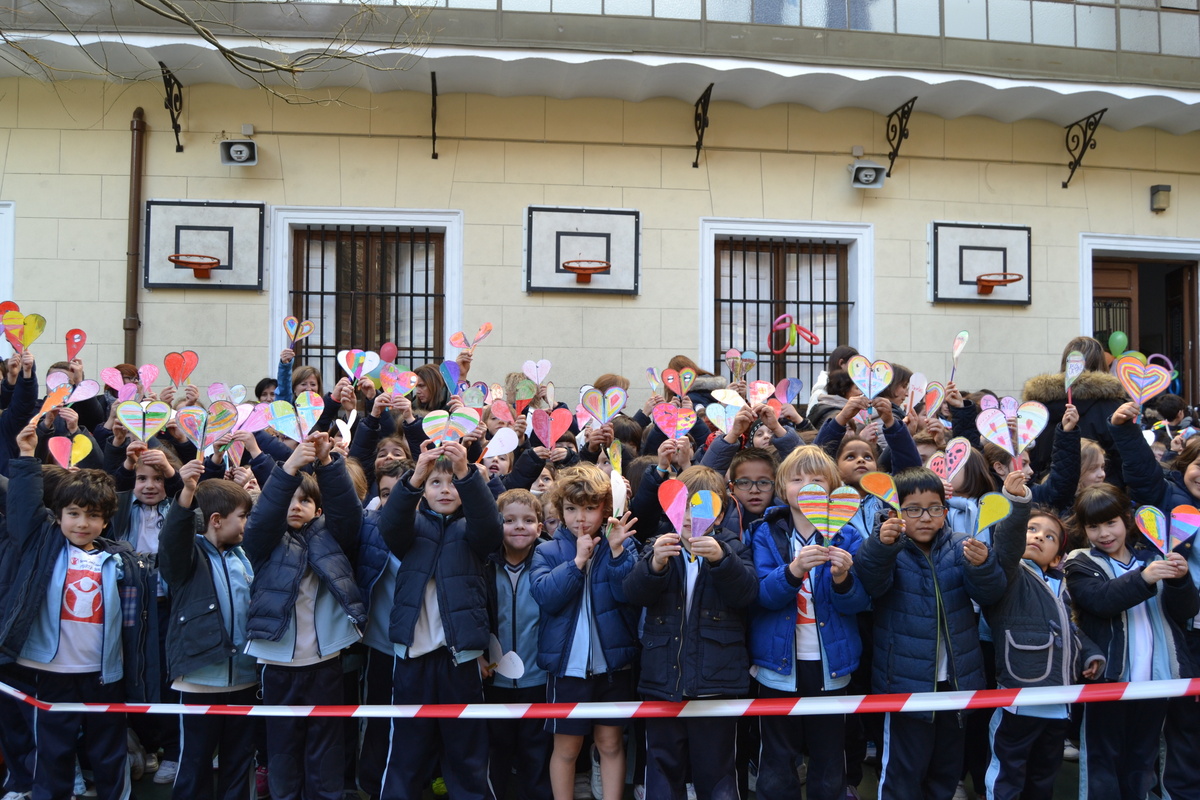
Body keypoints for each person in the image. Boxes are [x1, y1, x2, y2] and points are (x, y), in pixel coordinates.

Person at [2, 420, 157, 800]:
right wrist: (26, 455)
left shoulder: (121, 560)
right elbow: (22, 506)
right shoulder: (42, 544)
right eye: (73, 513)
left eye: (92, 516)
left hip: (103, 674)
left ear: (106, 520)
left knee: (109, 752)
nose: (82, 523)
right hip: (50, 672)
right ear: (57, 515)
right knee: (53, 753)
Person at [854, 466, 1006, 800]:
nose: (925, 517)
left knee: (946, 770)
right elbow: (872, 583)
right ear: (895, 512)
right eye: (913, 509)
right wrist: (881, 546)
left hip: (957, 682)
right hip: (904, 684)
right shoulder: (887, 548)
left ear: (945, 511)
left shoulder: (961, 546)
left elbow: (990, 594)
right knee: (902, 771)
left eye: (934, 508)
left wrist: (983, 566)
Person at [242, 432, 366, 800]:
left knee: (326, 748)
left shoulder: (332, 537)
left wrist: (327, 462)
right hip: (278, 666)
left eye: (306, 501)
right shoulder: (263, 542)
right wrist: (290, 467)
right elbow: (263, 517)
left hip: (325, 664)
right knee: (282, 748)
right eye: (290, 499)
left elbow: (348, 512)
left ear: (319, 510)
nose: (296, 506)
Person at [377, 439, 503, 800]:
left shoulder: (472, 532)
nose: (445, 490)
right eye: (436, 482)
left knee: (467, 753)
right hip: (412, 659)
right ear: (424, 490)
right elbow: (390, 525)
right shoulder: (411, 528)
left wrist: (467, 474)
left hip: (459, 660)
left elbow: (490, 528)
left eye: (453, 483)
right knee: (406, 752)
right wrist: (415, 477)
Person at [624, 466, 756, 800]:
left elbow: (746, 595)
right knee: (661, 769)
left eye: (701, 509)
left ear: (719, 515)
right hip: (662, 681)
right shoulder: (658, 546)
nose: (689, 518)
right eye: (682, 507)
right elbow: (633, 594)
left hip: (716, 683)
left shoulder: (733, 548)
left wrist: (722, 561)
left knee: (717, 772)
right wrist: (654, 565)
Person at [747, 446, 871, 800]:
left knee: (830, 756)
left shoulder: (848, 536)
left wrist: (843, 579)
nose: (806, 486)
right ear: (782, 487)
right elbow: (761, 595)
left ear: (832, 488)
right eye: (796, 479)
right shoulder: (764, 533)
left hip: (831, 664)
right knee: (777, 758)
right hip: (777, 664)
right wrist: (794, 569)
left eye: (816, 480)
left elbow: (860, 603)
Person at [1063, 482, 1198, 800]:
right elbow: (1101, 601)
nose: (1104, 533)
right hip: (1108, 682)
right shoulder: (1080, 562)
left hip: (1157, 682)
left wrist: (1180, 581)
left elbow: (1186, 612)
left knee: (1142, 763)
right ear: (1084, 529)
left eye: (1111, 522)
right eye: (1093, 526)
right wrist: (1145, 577)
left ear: (1127, 519)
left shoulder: (1152, 557)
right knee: (1102, 762)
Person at [983, 474, 1104, 800]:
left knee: (1042, 779)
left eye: (1049, 536)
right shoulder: (1010, 572)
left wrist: (1090, 653)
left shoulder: (1059, 586)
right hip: (1020, 700)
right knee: (1007, 776)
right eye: (1031, 529)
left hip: (1058, 705)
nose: (1038, 536)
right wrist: (1017, 502)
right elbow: (1007, 543)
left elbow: (1071, 628)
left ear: (1056, 558)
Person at [530, 464, 639, 800]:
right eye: (572, 509)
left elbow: (631, 595)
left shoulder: (622, 544)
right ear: (560, 510)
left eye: (590, 508)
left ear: (605, 509)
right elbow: (545, 596)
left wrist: (617, 552)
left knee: (610, 743)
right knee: (566, 748)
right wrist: (577, 563)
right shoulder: (547, 550)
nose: (581, 518)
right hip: (567, 670)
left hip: (613, 667)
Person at [158, 462, 257, 800]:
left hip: (245, 678)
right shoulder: (188, 557)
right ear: (216, 520)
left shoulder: (243, 555)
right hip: (200, 680)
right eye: (241, 517)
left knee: (240, 761)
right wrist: (187, 493)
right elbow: (173, 541)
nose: (246, 523)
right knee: (195, 760)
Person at [484, 489, 553, 800]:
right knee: (495, 753)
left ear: (540, 527)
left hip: (538, 679)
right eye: (509, 520)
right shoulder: (485, 564)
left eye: (528, 520)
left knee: (536, 755)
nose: (519, 526)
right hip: (493, 679)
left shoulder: (548, 563)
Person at [1022, 336, 1126, 485]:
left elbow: (1032, 456)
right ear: (1101, 364)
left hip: (1049, 487)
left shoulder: (1038, 407)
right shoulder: (1114, 407)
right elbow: (1123, 458)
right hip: (1098, 492)